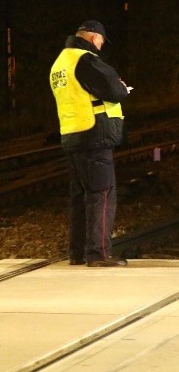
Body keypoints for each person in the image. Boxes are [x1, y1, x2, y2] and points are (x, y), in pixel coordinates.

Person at [49, 20, 132, 267]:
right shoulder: (86, 60)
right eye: (102, 41)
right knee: (102, 194)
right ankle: (99, 254)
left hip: (73, 133)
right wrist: (122, 88)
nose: (101, 46)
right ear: (95, 38)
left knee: (80, 196)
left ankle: (77, 252)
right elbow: (114, 90)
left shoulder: (60, 63)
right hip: (94, 135)